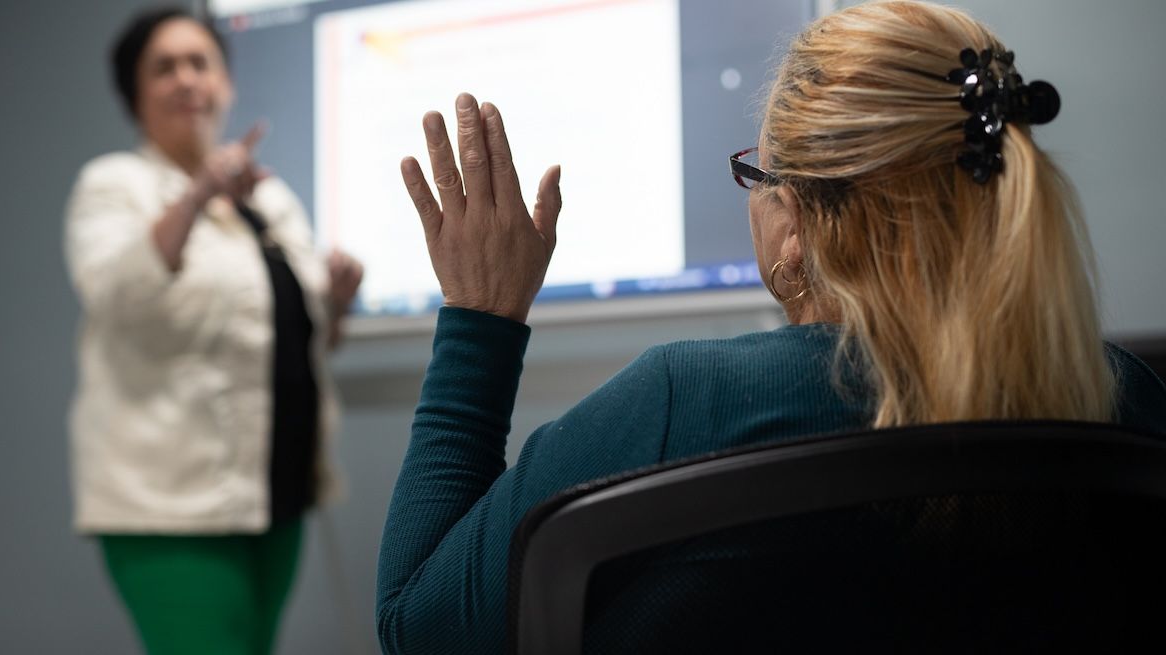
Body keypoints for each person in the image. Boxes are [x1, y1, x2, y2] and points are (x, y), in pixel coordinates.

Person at [374, 2, 1166, 653]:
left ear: (796, 223)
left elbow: (416, 629)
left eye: (757, 173)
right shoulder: (1126, 398)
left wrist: (480, 319)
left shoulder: (680, 403)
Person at [64, 7, 362, 654]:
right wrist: (199, 192)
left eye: (200, 62)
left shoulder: (271, 201)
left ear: (226, 83)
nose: (185, 79)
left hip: (276, 494)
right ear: (134, 93)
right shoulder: (114, 185)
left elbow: (291, 345)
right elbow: (117, 297)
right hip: (172, 506)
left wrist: (335, 305)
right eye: (163, 67)